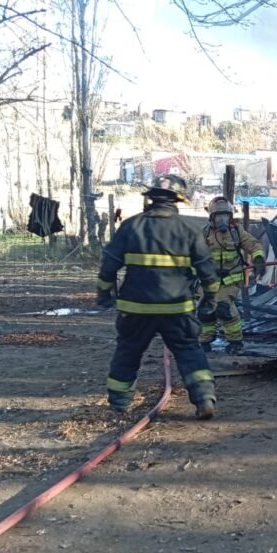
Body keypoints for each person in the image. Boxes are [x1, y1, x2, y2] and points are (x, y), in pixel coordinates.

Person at [96, 175, 220, 419]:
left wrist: (103, 293)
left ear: (150, 198)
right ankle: (205, 398)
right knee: (189, 351)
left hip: (135, 308)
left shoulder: (131, 226)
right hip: (177, 309)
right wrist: (211, 300)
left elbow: (109, 264)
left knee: (128, 351)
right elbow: (208, 271)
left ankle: (120, 404)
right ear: (177, 200)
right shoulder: (189, 229)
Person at [198, 197, 265, 354]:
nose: (223, 220)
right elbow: (194, 256)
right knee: (205, 312)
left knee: (225, 310)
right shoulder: (204, 234)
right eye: (219, 216)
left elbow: (254, 245)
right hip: (208, 282)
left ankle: (235, 342)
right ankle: (204, 342)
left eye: (226, 216)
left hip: (229, 281)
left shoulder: (236, 232)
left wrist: (259, 258)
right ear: (212, 217)